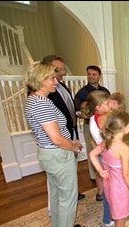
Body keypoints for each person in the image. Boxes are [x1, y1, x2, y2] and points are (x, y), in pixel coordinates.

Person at [24, 61, 84, 227]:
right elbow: (57, 139)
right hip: (58, 154)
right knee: (69, 195)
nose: (55, 82)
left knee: (58, 193)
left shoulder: (34, 100)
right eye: (51, 78)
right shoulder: (41, 103)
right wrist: (73, 147)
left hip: (49, 153)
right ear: (41, 80)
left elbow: (55, 135)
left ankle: (61, 226)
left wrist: (70, 142)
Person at [89, 110, 129, 227]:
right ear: (124, 128)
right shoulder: (123, 148)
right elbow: (126, 174)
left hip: (109, 184)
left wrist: (100, 170)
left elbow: (92, 154)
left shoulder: (106, 142)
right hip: (120, 186)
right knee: (120, 215)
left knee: (118, 211)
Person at [42, 55, 85, 207]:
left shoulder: (63, 86)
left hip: (71, 130)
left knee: (71, 167)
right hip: (58, 138)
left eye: (63, 70)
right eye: (58, 70)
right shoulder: (44, 94)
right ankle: (57, 208)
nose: (62, 73)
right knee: (58, 178)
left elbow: (68, 107)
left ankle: (72, 193)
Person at [84, 90, 125, 227]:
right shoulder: (98, 120)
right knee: (111, 189)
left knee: (112, 188)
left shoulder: (102, 115)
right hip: (107, 158)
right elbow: (106, 141)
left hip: (108, 156)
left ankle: (112, 214)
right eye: (107, 103)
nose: (110, 105)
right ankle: (109, 217)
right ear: (98, 107)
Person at [74, 65, 110, 201]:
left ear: (99, 76)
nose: (91, 76)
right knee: (94, 152)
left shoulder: (105, 91)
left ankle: (106, 174)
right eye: (89, 74)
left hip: (105, 126)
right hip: (90, 126)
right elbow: (77, 110)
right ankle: (96, 177)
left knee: (106, 153)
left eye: (94, 74)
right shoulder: (82, 92)